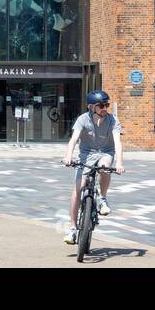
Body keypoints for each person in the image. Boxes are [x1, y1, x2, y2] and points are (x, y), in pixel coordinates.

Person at [62, 89, 125, 245]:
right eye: (101, 105)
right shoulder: (82, 119)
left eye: (107, 105)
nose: (105, 108)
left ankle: (102, 198)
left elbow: (118, 143)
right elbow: (73, 139)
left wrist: (119, 163)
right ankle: (72, 229)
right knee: (78, 189)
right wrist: (68, 156)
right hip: (86, 154)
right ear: (91, 107)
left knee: (104, 168)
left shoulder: (113, 120)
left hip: (105, 152)